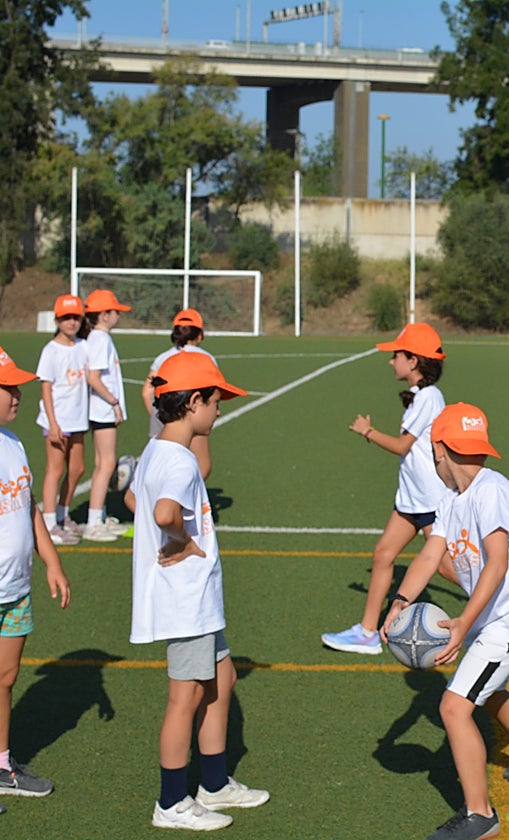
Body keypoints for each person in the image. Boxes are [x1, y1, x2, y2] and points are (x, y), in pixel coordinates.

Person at [381, 403, 509, 840]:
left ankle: (480, 816)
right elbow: (430, 554)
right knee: (489, 691)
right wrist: (401, 599)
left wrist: (463, 622)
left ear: (437, 448)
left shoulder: (491, 490)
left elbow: (497, 563)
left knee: (453, 706)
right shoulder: (453, 498)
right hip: (491, 618)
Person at [124, 352, 268, 831]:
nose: (220, 410)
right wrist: (182, 541)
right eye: (215, 400)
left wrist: (166, 530)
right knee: (183, 699)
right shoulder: (181, 461)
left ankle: (214, 782)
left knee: (221, 681)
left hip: (197, 601)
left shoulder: (157, 451)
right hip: (184, 601)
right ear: (192, 403)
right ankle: (170, 803)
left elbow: (135, 498)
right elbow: (165, 512)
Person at [323, 322, 449, 655]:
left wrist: (367, 431)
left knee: (449, 568)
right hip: (410, 499)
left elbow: (401, 446)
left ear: (414, 361)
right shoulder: (422, 396)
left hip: (430, 500)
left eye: (397, 355)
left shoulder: (428, 397)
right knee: (383, 554)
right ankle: (367, 632)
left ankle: (496, 599)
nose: (391, 361)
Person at [0, 346, 71, 806]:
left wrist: (52, 561)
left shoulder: (13, 443)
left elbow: (29, 510)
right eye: (8, 387)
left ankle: (2, 764)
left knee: (5, 677)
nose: (18, 395)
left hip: (15, 589)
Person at [35, 294, 90, 546]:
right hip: (57, 421)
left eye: (75, 317)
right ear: (57, 320)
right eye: (66, 318)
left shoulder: (83, 346)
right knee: (55, 470)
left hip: (78, 420)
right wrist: (53, 424)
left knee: (77, 469)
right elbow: (46, 388)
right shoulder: (51, 351)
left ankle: (62, 513)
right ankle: (48, 524)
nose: (71, 323)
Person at [141, 309, 218, 479]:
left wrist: (161, 417)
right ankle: (182, 502)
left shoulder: (163, 358)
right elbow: (211, 395)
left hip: (164, 418)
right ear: (199, 335)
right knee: (200, 468)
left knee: (160, 469)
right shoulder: (205, 358)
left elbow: (147, 392)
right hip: (190, 418)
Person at [82, 289, 133, 542]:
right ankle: (94, 523)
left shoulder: (98, 338)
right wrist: (114, 403)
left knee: (103, 463)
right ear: (103, 315)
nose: (118, 316)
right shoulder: (100, 339)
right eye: (115, 312)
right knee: (106, 464)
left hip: (101, 409)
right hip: (102, 409)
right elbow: (94, 377)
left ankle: (99, 516)